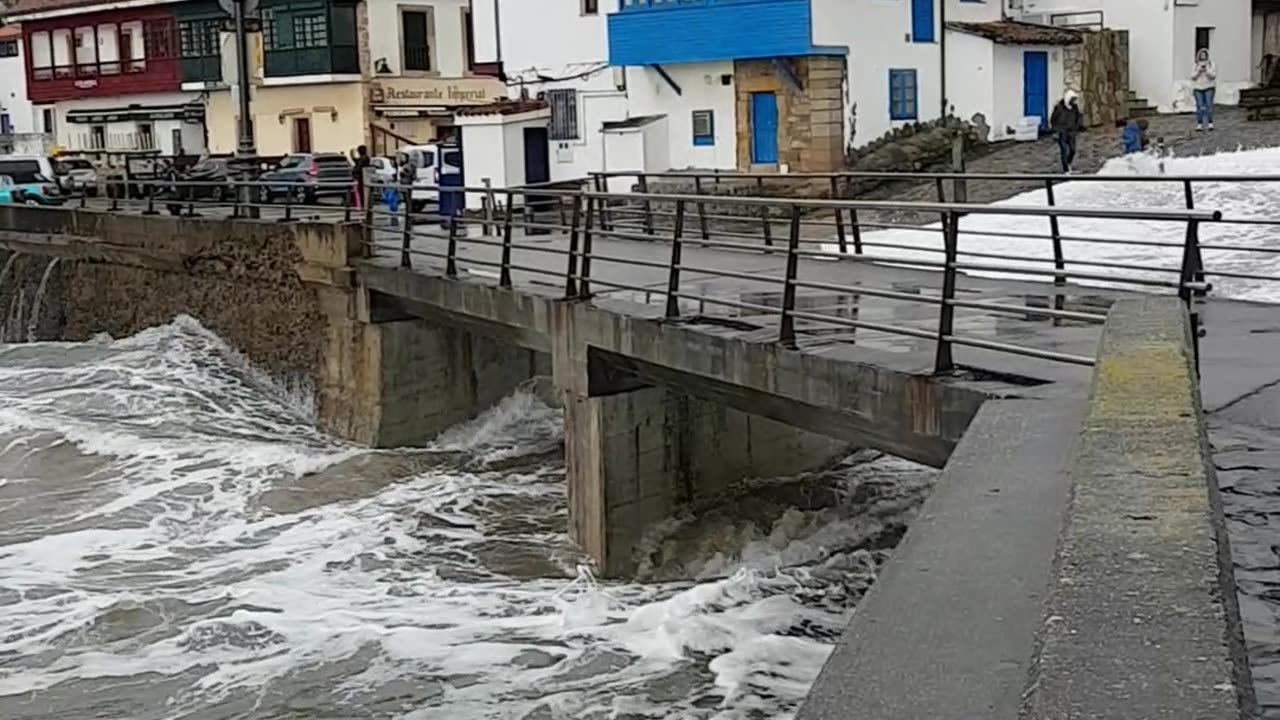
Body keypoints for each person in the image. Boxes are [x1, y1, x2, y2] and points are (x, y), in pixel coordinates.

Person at [1049, 90, 1085, 174]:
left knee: (1072, 149)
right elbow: (1053, 120)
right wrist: (1055, 130)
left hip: (1071, 132)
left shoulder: (1074, 108)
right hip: (1061, 132)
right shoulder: (1059, 108)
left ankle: (1068, 162)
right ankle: (1066, 169)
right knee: (1064, 150)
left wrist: (1076, 127)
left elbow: (1077, 117)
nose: (1074, 101)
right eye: (1072, 99)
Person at [1191, 48, 1217, 131]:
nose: (1203, 56)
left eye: (1204, 55)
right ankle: (1199, 124)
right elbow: (1193, 77)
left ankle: (1210, 123)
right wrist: (1199, 70)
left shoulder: (1211, 64)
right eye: (1201, 55)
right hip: (1198, 88)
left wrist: (1206, 70)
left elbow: (1213, 76)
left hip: (1209, 87)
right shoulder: (1195, 64)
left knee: (1209, 106)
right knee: (1199, 106)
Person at [351, 145, 371, 210]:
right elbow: (357, 161)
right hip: (365, 176)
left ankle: (363, 205)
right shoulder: (365, 158)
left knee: (361, 192)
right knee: (363, 192)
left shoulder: (363, 158)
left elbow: (358, 167)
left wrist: (354, 170)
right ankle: (364, 204)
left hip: (362, 177)